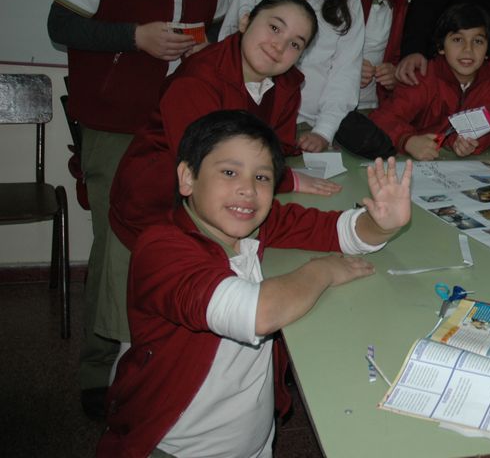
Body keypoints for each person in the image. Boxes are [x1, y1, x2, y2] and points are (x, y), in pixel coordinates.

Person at [97, 110, 411, 456]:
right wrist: (323, 270)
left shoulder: (252, 224)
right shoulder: (162, 249)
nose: (247, 189)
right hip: (172, 446)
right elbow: (258, 313)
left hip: (250, 441)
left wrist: (382, 225)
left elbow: (334, 230)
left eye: (262, 177)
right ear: (187, 177)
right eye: (229, 172)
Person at [45, 0, 227, 413]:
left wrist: (202, 45)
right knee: (116, 244)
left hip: (180, 123)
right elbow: (60, 26)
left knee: (175, 240)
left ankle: (158, 357)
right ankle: (98, 372)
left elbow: (209, 28)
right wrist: (135, 37)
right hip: (114, 122)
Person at [104, 0, 342, 355]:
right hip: (154, 208)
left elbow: (274, 148)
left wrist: (284, 172)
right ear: (245, 21)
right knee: (145, 338)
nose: (279, 46)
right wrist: (288, 180)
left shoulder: (286, 85)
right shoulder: (199, 78)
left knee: (211, 323)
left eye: (295, 43)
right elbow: (207, 164)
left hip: (214, 215)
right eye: (274, 28)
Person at [219, 0, 364, 152]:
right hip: (248, 121)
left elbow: (345, 73)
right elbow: (228, 55)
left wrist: (324, 131)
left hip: (314, 126)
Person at [369, 4, 490, 160]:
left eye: (478, 41)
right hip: (413, 162)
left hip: (460, 165)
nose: (468, 49)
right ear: (441, 47)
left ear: (488, 50)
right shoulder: (424, 79)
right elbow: (381, 119)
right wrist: (407, 141)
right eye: (458, 40)